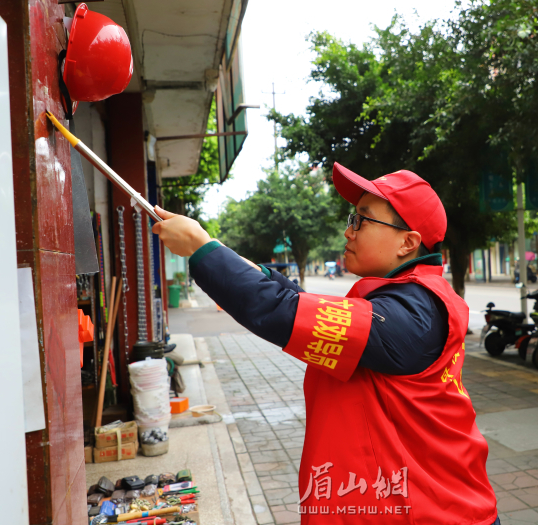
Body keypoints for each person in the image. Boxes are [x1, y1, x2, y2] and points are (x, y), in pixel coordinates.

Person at [153, 163, 499, 524]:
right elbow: (295, 299)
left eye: (362, 220)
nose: (348, 231)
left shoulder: (411, 316)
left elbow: (284, 311)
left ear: (407, 242)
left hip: (427, 512)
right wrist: (216, 248)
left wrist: (200, 247)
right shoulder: (410, 299)